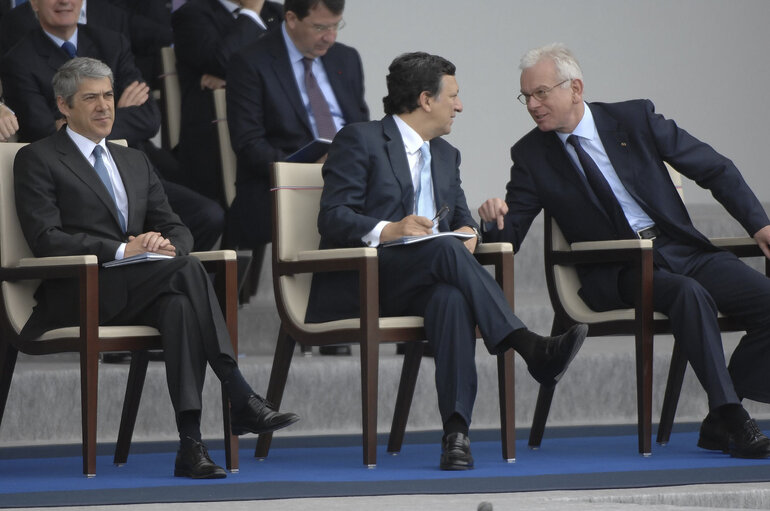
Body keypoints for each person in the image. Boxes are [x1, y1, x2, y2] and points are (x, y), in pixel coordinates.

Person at [479, 43, 770, 459]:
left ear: (575, 88)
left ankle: (720, 416)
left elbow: (713, 167)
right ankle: (733, 417)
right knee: (688, 293)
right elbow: (511, 236)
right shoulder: (531, 155)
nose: (532, 104)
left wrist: (759, 223)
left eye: (541, 93)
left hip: (678, 248)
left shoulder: (633, 118)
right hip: (616, 270)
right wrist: (494, 221)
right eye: (526, 96)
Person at [13, 57, 299, 479]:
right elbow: (46, 239)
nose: (104, 107)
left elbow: (178, 227)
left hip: (141, 287)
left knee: (180, 305)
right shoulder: (37, 158)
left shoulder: (133, 160)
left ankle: (191, 446)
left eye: (108, 96)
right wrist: (123, 249)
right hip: (78, 290)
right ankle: (238, 393)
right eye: (90, 98)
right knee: (187, 275)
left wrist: (163, 244)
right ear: (63, 105)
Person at [306, 51, 587, 470]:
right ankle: (526, 345)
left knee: (451, 298)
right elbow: (332, 217)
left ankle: (456, 434)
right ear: (425, 99)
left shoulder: (446, 155)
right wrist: (391, 229)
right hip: (364, 281)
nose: (459, 105)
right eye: (453, 96)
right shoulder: (360, 139)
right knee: (442, 249)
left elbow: (459, 219)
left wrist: (474, 231)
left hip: (424, 281)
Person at [0, 0, 224, 254]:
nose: (64, 1)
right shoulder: (19, 59)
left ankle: (167, 272)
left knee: (208, 216)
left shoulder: (111, 42)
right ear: (34, 4)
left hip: (134, 170)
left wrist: (82, 121)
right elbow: (45, 132)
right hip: (75, 182)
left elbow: (149, 118)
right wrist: (118, 110)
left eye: (108, 96)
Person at [226, 0, 369, 355]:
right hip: (280, 184)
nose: (330, 37)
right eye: (321, 27)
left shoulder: (345, 59)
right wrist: (304, 168)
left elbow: (362, 126)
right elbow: (248, 144)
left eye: (336, 26)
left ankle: (380, 316)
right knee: (337, 208)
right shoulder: (251, 61)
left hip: (345, 177)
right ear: (291, 19)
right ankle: (327, 323)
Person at [172, 0, 283, 203]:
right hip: (213, 137)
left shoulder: (277, 12)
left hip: (274, 129)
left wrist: (236, 78)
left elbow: (290, 69)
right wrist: (251, 12)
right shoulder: (192, 14)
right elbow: (221, 62)